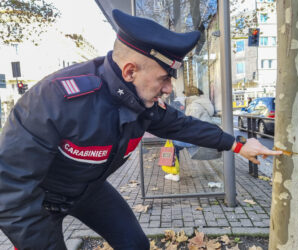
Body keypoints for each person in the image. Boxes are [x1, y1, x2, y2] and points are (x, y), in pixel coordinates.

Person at [0, 9, 281, 250]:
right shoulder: (55, 100)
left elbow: (183, 125)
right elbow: (10, 193)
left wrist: (239, 145)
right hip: (37, 203)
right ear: (130, 71)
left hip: (88, 190)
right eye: (163, 78)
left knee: (135, 244)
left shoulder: (140, 101)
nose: (169, 88)